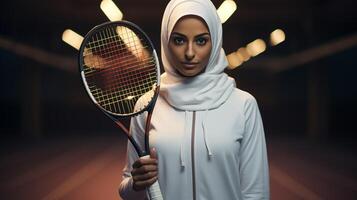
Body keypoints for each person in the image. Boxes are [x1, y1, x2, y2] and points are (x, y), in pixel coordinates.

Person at [119, 0, 270, 199]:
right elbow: (127, 190)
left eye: (201, 41)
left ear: (215, 42)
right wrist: (135, 185)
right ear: (166, 41)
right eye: (179, 40)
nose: (190, 53)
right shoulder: (147, 105)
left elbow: (256, 193)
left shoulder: (243, 105)